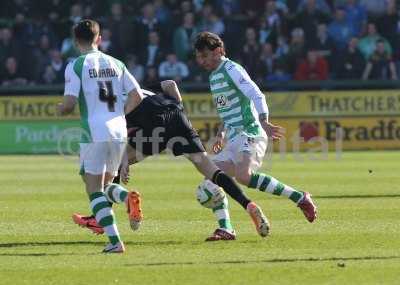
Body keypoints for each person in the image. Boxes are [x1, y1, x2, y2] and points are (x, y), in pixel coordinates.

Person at [73, 79, 271, 241]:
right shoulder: (139, 86)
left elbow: (120, 135)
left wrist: (123, 161)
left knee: (109, 166)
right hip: (177, 116)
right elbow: (170, 84)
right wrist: (179, 108)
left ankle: (109, 212)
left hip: (152, 125)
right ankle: (249, 205)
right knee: (209, 169)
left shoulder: (108, 106)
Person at [193, 31, 317, 229]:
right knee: (211, 179)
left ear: (218, 51)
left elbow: (257, 94)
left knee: (244, 176)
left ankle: (299, 197)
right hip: (233, 138)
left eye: (205, 56)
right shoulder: (214, 76)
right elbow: (226, 110)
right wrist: (220, 134)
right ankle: (226, 228)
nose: (201, 61)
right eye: (199, 57)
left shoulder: (232, 69)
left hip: (250, 132)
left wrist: (265, 122)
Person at [57, 19, 144, 253]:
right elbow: (137, 96)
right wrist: (119, 116)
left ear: (76, 42)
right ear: (99, 39)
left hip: (93, 131)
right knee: (106, 185)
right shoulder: (117, 63)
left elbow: (69, 104)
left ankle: (115, 241)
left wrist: (60, 109)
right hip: (118, 130)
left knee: (93, 188)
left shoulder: (76, 65)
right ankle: (125, 198)